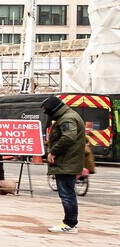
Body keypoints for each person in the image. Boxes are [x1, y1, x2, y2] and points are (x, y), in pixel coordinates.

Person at [42, 94, 88, 233]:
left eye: (46, 110)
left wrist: (53, 151)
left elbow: (68, 137)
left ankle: (70, 224)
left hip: (67, 161)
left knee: (67, 193)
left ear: (54, 109)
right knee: (68, 192)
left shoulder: (67, 118)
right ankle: (70, 222)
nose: (45, 113)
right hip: (68, 161)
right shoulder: (67, 116)